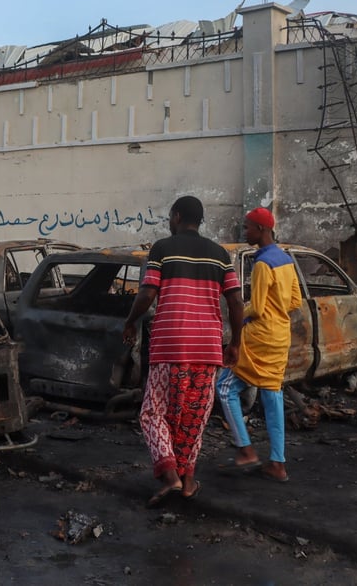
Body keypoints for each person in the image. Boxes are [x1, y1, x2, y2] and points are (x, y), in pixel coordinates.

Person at [123, 195, 243, 507]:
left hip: (170, 345)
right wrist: (236, 343)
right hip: (207, 348)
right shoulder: (219, 255)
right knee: (192, 416)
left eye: (169, 217)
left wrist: (131, 321)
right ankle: (188, 481)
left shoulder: (163, 248)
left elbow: (148, 292)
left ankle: (170, 475)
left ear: (176, 217)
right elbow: (235, 302)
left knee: (153, 412)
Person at [216, 207, 301, 483]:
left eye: (248, 227)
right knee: (272, 396)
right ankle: (278, 463)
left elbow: (259, 307)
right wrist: (278, 311)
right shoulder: (285, 259)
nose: (245, 232)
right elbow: (295, 301)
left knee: (225, 387)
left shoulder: (264, 264)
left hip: (260, 338)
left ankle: (246, 449)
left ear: (261, 230)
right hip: (281, 337)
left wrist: (238, 312)